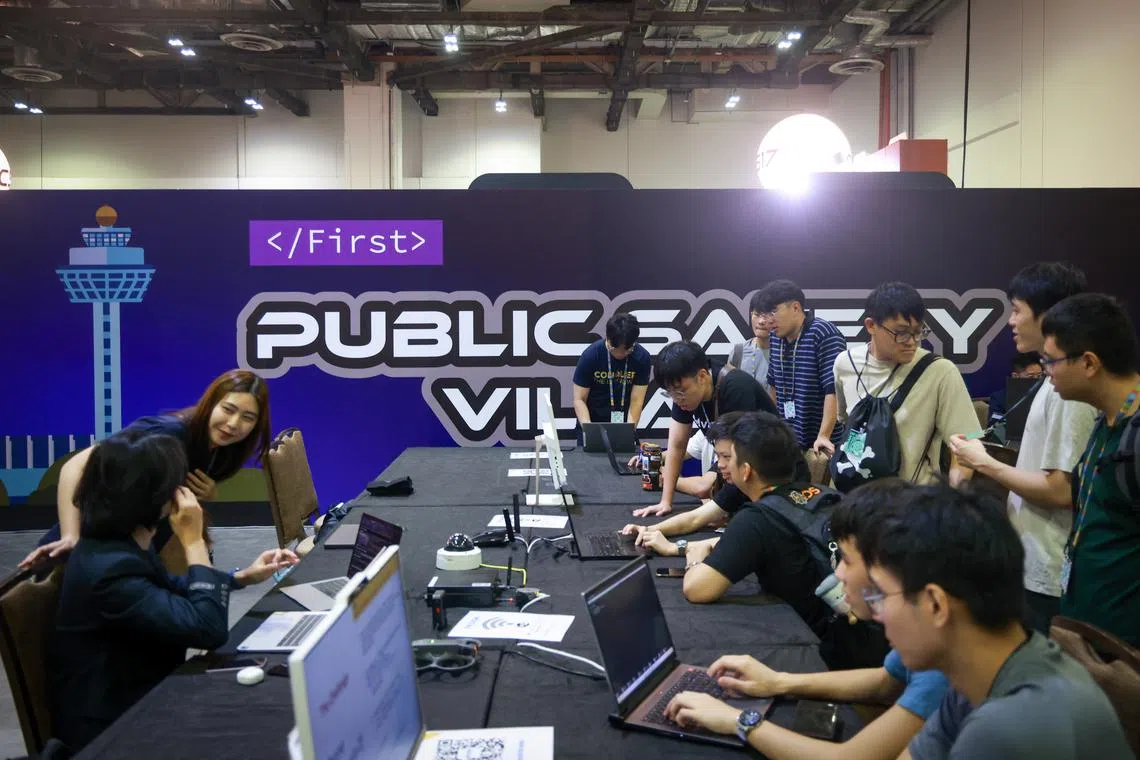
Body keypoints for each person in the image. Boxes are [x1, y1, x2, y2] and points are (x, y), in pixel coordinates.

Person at [663, 480, 952, 760]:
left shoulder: (946, 669)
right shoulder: (929, 634)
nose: (838, 574)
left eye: (847, 561)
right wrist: (779, 682)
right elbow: (886, 681)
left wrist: (740, 721)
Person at [48, 429, 297, 752]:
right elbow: (207, 629)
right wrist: (193, 542)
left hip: (143, 694)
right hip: (117, 728)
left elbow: (161, 589)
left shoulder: (121, 538)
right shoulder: (110, 569)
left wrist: (241, 577)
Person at [859, 482, 1131, 759]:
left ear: (936, 604)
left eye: (880, 595)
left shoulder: (1012, 727)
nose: (877, 614)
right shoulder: (982, 676)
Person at [654, 410, 888, 669]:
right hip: (874, 638)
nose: (723, 466)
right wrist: (686, 546)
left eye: (728, 458)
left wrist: (693, 561)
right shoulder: (821, 493)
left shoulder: (756, 519)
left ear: (746, 471)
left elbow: (697, 589)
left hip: (831, 654)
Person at [949, 263, 1097, 634]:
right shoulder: (1053, 383)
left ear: (1049, 315)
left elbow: (1061, 490)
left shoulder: (1069, 392)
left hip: (1051, 571)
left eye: (1017, 310)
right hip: (1034, 563)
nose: (1010, 321)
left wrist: (982, 462)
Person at [20, 369, 272, 568]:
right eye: (228, 409)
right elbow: (75, 466)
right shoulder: (167, 433)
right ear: (210, 404)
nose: (233, 423)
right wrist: (70, 536)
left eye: (247, 418)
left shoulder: (221, 450)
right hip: (85, 545)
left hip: (133, 552)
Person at [1034, 293, 1140, 647]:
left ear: (1090, 363)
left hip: (1126, 652)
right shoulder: (1104, 420)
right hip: (1089, 636)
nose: (1046, 373)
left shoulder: (1134, 437)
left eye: (1051, 361)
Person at [834, 282, 979, 487]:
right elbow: (846, 421)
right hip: (855, 499)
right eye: (901, 332)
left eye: (918, 332)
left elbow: (969, 439)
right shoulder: (844, 363)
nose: (911, 342)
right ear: (871, 325)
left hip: (914, 505)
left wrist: (954, 495)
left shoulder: (940, 371)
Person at [633, 341, 778, 517]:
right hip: (740, 468)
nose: (677, 400)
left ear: (702, 376)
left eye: (679, 392)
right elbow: (677, 446)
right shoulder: (684, 392)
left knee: (704, 495)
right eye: (670, 393)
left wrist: (714, 511)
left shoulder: (735, 387)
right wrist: (665, 502)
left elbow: (738, 459)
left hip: (770, 476)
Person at [755, 280, 846, 456]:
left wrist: (824, 436)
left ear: (796, 307)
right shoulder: (775, 337)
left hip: (820, 447)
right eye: (766, 314)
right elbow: (774, 386)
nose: (768, 320)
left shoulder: (823, 333)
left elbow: (833, 389)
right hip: (787, 444)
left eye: (774, 311)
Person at [571, 313, 651, 426]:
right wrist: (589, 429)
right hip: (592, 422)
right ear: (608, 339)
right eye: (615, 349)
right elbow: (579, 399)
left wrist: (629, 431)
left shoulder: (641, 358)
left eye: (627, 350)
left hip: (624, 424)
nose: (620, 354)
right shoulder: (591, 355)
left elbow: (636, 401)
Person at [727, 291, 774, 389]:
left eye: (766, 315)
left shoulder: (785, 354)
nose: (761, 321)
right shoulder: (738, 352)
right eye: (756, 314)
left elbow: (791, 395)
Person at [987, 351, 1043, 424]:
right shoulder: (999, 398)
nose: (1036, 380)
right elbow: (995, 426)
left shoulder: (1044, 394)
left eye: (1039, 376)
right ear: (1015, 376)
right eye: (1031, 376)